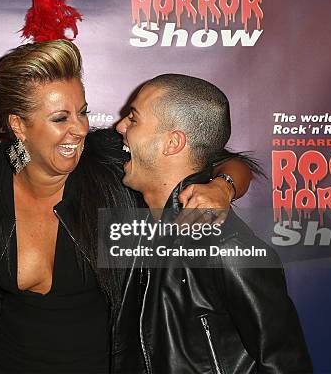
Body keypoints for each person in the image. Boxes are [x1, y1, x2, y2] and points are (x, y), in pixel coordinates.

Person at [0, 41, 254, 373]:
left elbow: (228, 162)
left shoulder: (109, 163)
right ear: (18, 125)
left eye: (83, 112)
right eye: (61, 118)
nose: (80, 128)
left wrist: (223, 187)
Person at [115, 74, 312, 373]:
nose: (119, 126)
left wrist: (226, 184)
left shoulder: (227, 248)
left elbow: (285, 364)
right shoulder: (138, 228)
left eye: (133, 118)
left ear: (172, 142)